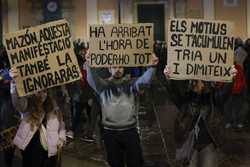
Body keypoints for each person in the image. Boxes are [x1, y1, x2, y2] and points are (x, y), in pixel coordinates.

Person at [86, 52, 159, 167]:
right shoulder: (103, 86)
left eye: (120, 66)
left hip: (130, 131)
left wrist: (152, 66)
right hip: (110, 133)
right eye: (114, 67)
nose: (118, 69)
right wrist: (89, 64)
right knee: (115, 163)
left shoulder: (131, 84)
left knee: (135, 163)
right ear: (109, 69)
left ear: (124, 68)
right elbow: (91, 79)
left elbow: (145, 80)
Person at [163, 65, 237, 167]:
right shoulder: (186, 100)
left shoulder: (213, 99)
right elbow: (173, 93)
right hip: (189, 145)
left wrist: (231, 78)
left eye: (201, 81)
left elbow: (225, 93)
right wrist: (168, 78)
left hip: (208, 145)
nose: (199, 84)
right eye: (195, 81)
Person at [10, 68, 66, 167]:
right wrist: (15, 83)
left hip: (50, 151)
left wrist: (61, 139)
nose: (41, 91)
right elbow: (18, 104)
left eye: (44, 89)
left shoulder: (53, 103)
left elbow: (61, 123)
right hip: (31, 149)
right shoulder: (28, 101)